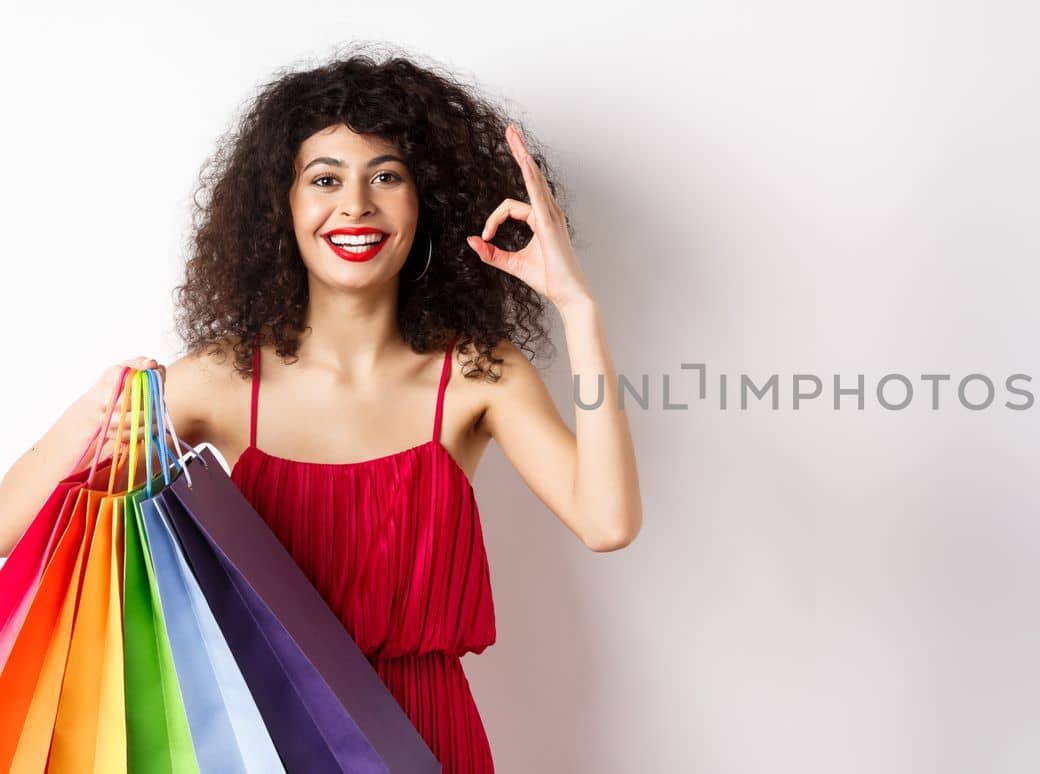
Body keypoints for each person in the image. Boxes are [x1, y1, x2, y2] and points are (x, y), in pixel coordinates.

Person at [0, 46, 644, 772]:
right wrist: (90, 412)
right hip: (269, 737)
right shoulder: (221, 379)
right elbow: (6, 533)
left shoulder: (476, 374)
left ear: (424, 200)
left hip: (427, 743)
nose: (356, 205)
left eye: (387, 177)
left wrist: (577, 307)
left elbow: (608, 522)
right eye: (325, 178)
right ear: (283, 205)